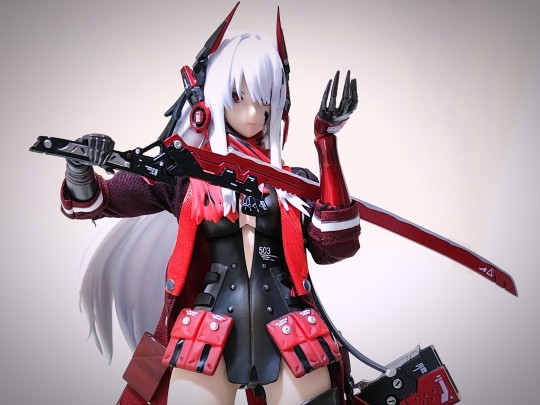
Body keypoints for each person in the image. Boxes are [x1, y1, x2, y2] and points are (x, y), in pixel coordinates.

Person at [60, 26, 360, 405]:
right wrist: (79, 168)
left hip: (290, 327)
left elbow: (335, 244)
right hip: (207, 331)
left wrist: (326, 142)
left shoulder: (290, 184)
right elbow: (100, 200)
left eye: (264, 100)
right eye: (237, 97)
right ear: (212, 99)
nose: (252, 113)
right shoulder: (186, 177)